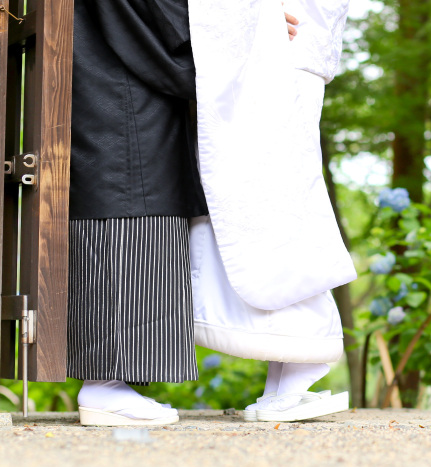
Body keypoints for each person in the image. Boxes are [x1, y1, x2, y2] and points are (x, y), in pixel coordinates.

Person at [69, 0, 300, 426]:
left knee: (133, 203)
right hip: (116, 91)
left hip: (110, 81)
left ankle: (108, 386)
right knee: (129, 206)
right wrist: (256, 25)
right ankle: (103, 387)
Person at [188, 0, 356, 422]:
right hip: (261, 44)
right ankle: (289, 368)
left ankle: (301, 359)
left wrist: (251, 17)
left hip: (282, 46)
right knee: (251, 194)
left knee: (273, 196)